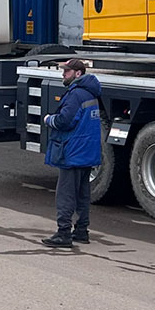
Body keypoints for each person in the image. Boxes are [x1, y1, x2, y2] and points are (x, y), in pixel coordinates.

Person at [40, 58, 102, 248]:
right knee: (82, 193)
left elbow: (65, 121)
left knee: (66, 193)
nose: (63, 74)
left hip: (73, 151)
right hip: (87, 151)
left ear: (78, 74)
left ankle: (63, 232)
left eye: (66, 71)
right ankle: (82, 230)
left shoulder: (75, 95)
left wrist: (49, 119)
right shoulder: (90, 93)